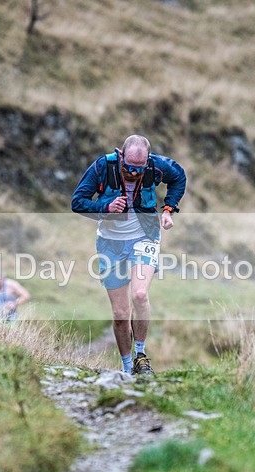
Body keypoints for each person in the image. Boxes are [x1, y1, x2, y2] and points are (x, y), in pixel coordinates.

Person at [71, 134, 186, 375]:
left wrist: (168, 209)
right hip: (110, 243)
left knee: (141, 294)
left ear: (147, 160)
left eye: (139, 167)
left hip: (145, 236)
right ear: (121, 156)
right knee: (120, 314)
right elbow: (78, 201)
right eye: (129, 167)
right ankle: (126, 369)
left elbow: (179, 177)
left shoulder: (156, 166)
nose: (134, 172)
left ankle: (140, 357)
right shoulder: (103, 166)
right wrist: (105, 207)